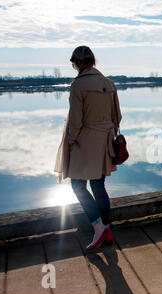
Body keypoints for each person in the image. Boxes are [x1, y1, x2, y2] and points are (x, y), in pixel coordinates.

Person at [54, 45, 122, 251]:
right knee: (99, 186)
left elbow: (75, 120)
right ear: (94, 61)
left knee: (77, 185)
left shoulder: (78, 85)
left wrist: (72, 141)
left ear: (76, 64)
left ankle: (99, 228)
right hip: (105, 141)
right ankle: (106, 230)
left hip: (85, 142)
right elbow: (117, 116)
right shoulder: (108, 83)